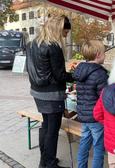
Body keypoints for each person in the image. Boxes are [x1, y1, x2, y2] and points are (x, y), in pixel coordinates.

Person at [26, 16, 73, 168]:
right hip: (52, 94)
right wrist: (77, 75)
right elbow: (60, 75)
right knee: (52, 130)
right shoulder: (53, 46)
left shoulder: (32, 43)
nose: (65, 36)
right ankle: (50, 163)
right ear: (59, 29)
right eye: (65, 32)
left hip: (37, 92)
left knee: (46, 126)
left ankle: (44, 161)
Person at [73, 40, 108, 168]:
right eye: (104, 53)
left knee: (84, 142)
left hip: (83, 114)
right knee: (99, 147)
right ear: (98, 54)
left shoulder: (80, 70)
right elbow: (105, 97)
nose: (105, 56)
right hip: (96, 117)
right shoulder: (100, 73)